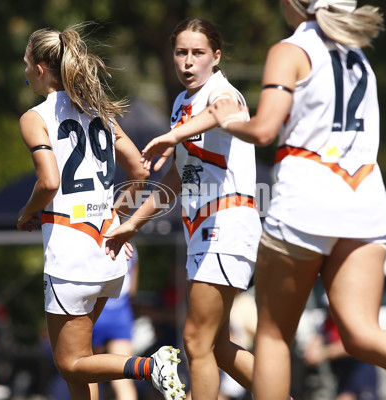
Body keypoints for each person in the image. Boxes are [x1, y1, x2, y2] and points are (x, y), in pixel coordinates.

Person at [207, 1, 386, 400]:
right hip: (365, 200)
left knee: (272, 336)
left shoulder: (290, 50)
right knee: (362, 333)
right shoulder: (357, 56)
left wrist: (227, 119)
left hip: (307, 199)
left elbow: (265, 130)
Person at [16, 23, 185, 400]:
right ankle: (145, 367)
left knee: (69, 364)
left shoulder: (35, 116)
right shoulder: (101, 114)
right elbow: (140, 170)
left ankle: (147, 366)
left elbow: (48, 183)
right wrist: (120, 221)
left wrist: (27, 213)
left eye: (26, 63)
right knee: (81, 361)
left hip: (71, 252)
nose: (25, 71)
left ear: (41, 68)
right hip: (107, 249)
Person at [105, 18, 268, 400]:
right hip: (201, 230)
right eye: (181, 53)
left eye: (198, 53)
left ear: (216, 56)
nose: (188, 62)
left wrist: (173, 135)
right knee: (220, 348)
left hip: (226, 224)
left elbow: (227, 111)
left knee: (196, 340)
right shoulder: (182, 102)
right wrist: (133, 223)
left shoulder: (221, 91)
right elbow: (179, 175)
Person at [91, 242, 140, 400]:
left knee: (89, 376)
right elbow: (132, 290)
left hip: (95, 313)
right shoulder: (131, 248)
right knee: (123, 380)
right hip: (120, 315)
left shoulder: (94, 242)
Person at [304, 304, 379, 400]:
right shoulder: (327, 324)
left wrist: (324, 353)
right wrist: (314, 352)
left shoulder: (353, 322)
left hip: (360, 370)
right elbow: (313, 350)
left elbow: (355, 345)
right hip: (344, 374)